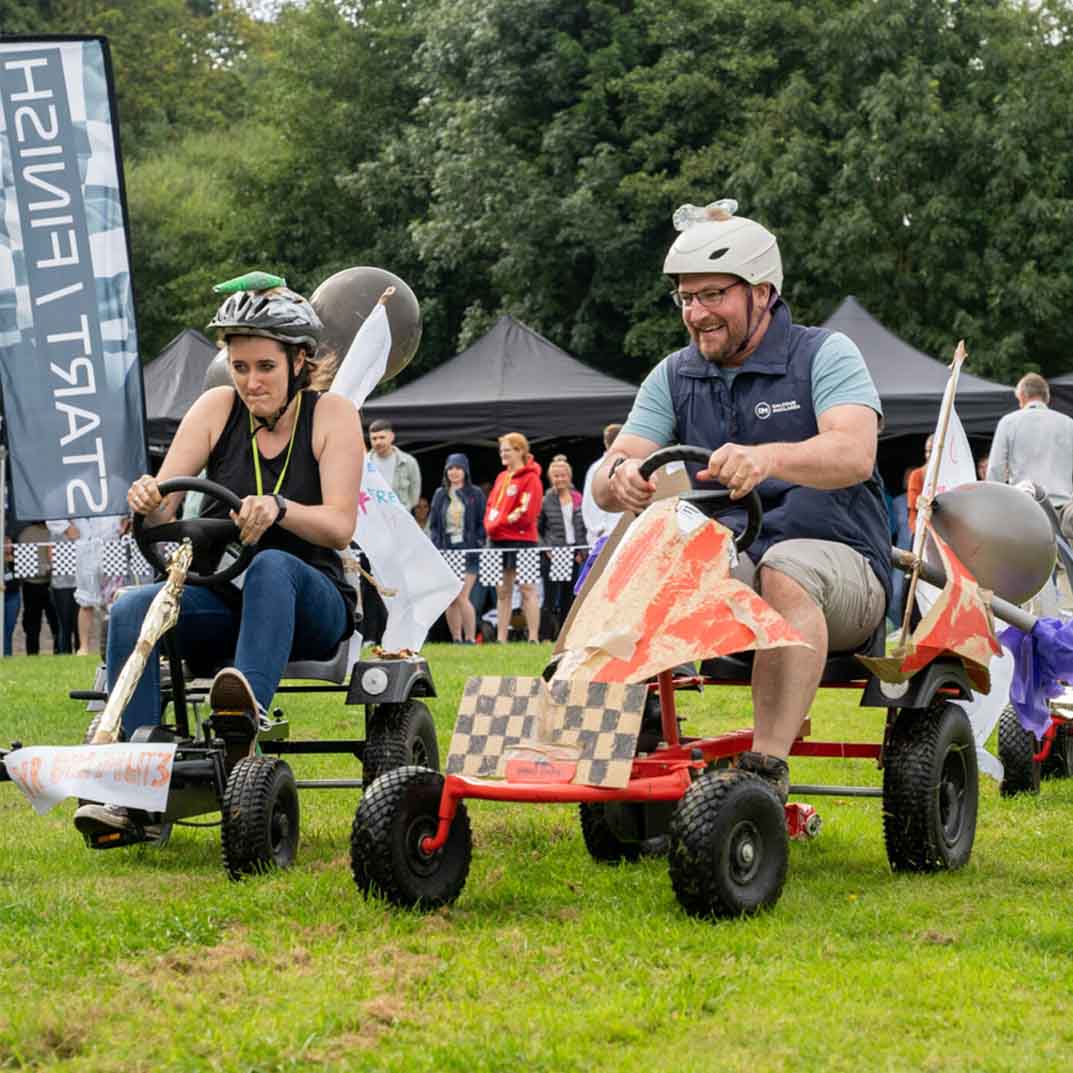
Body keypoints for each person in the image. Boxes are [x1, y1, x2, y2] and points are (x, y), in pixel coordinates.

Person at [592, 200, 890, 801]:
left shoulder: (825, 355)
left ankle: (765, 771)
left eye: (711, 295)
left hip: (843, 566)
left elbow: (854, 453)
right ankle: (617, 738)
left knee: (785, 569)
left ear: (761, 292)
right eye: (684, 298)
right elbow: (609, 471)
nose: (695, 313)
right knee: (638, 552)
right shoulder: (674, 375)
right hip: (734, 564)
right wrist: (619, 476)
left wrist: (770, 457)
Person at [74, 278, 362, 838]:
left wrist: (280, 509)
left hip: (312, 604)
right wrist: (149, 501)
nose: (250, 382)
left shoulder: (332, 415)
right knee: (135, 605)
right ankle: (132, 782)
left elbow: (339, 526)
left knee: (273, 567)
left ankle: (239, 726)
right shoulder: (215, 407)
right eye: (239, 367)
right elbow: (166, 508)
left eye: (265, 367)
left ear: (300, 361)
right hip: (229, 594)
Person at [987, 373, 1073, 537]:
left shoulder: (1008, 422)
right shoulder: (1069, 423)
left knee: (1026, 562)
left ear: (1022, 396)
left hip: (1025, 509)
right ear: (1046, 397)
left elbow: (995, 469)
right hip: (1063, 512)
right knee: (1065, 561)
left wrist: (994, 509)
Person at [484, 432, 543, 643]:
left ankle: (533, 637)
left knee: (527, 588)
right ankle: (501, 638)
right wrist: (489, 524)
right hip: (498, 539)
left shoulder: (531, 478)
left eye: (507, 450)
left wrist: (499, 523)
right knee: (502, 589)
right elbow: (491, 505)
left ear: (520, 451)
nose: (503, 454)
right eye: (501, 450)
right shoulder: (502, 477)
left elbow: (527, 512)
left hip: (523, 539)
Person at [428, 451, 485, 643]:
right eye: (450, 468)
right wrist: (436, 547)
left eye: (458, 468)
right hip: (446, 550)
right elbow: (434, 525)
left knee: (462, 595)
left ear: (465, 471)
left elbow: (481, 522)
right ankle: (456, 639)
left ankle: (470, 638)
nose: (454, 472)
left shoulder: (475, 494)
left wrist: (478, 542)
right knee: (450, 598)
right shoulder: (440, 494)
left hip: (468, 551)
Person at [539, 454, 588, 624]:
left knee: (569, 596)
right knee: (550, 597)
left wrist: (582, 551)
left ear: (569, 476)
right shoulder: (545, 500)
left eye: (563, 475)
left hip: (573, 552)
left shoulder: (578, 498)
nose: (560, 479)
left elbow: (583, 527)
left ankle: (563, 634)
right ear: (550, 478)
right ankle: (545, 635)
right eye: (556, 476)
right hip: (553, 553)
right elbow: (537, 530)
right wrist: (546, 549)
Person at [15, 522, 58, 655]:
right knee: (32, 625)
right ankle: (33, 654)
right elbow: (21, 562)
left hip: (50, 584)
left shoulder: (55, 531)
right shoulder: (27, 533)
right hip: (33, 585)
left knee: (54, 623)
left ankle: (56, 652)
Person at [582, 423, 623, 544]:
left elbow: (589, 504)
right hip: (606, 535)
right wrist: (600, 530)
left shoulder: (596, 468)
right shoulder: (597, 468)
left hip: (614, 533)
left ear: (605, 442)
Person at [367, 419, 421, 511]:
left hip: (400, 518)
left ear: (392, 437)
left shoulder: (408, 462)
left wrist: (404, 511)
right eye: (374, 438)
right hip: (373, 517)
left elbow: (415, 494)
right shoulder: (364, 463)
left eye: (382, 437)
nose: (378, 442)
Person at [906, 435, 933, 536]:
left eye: (932, 450)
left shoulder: (949, 474)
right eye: (927, 451)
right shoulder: (917, 474)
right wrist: (921, 501)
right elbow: (912, 502)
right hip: (921, 531)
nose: (928, 455)